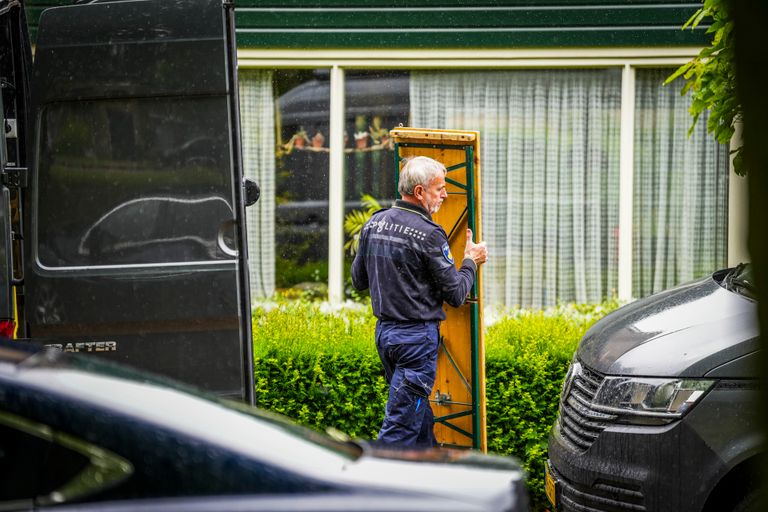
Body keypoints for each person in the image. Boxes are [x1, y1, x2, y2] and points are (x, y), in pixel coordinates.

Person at [351, 155, 488, 447]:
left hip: (386, 337)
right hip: (416, 341)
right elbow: (455, 293)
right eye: (440, 189)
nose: (445, 195)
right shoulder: (429, 234)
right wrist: (470, 261)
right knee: (398, 430)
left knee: (416, 414)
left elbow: (359, 281)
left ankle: (433, 471)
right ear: (419, 192)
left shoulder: (374, 224)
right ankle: (373, 488)